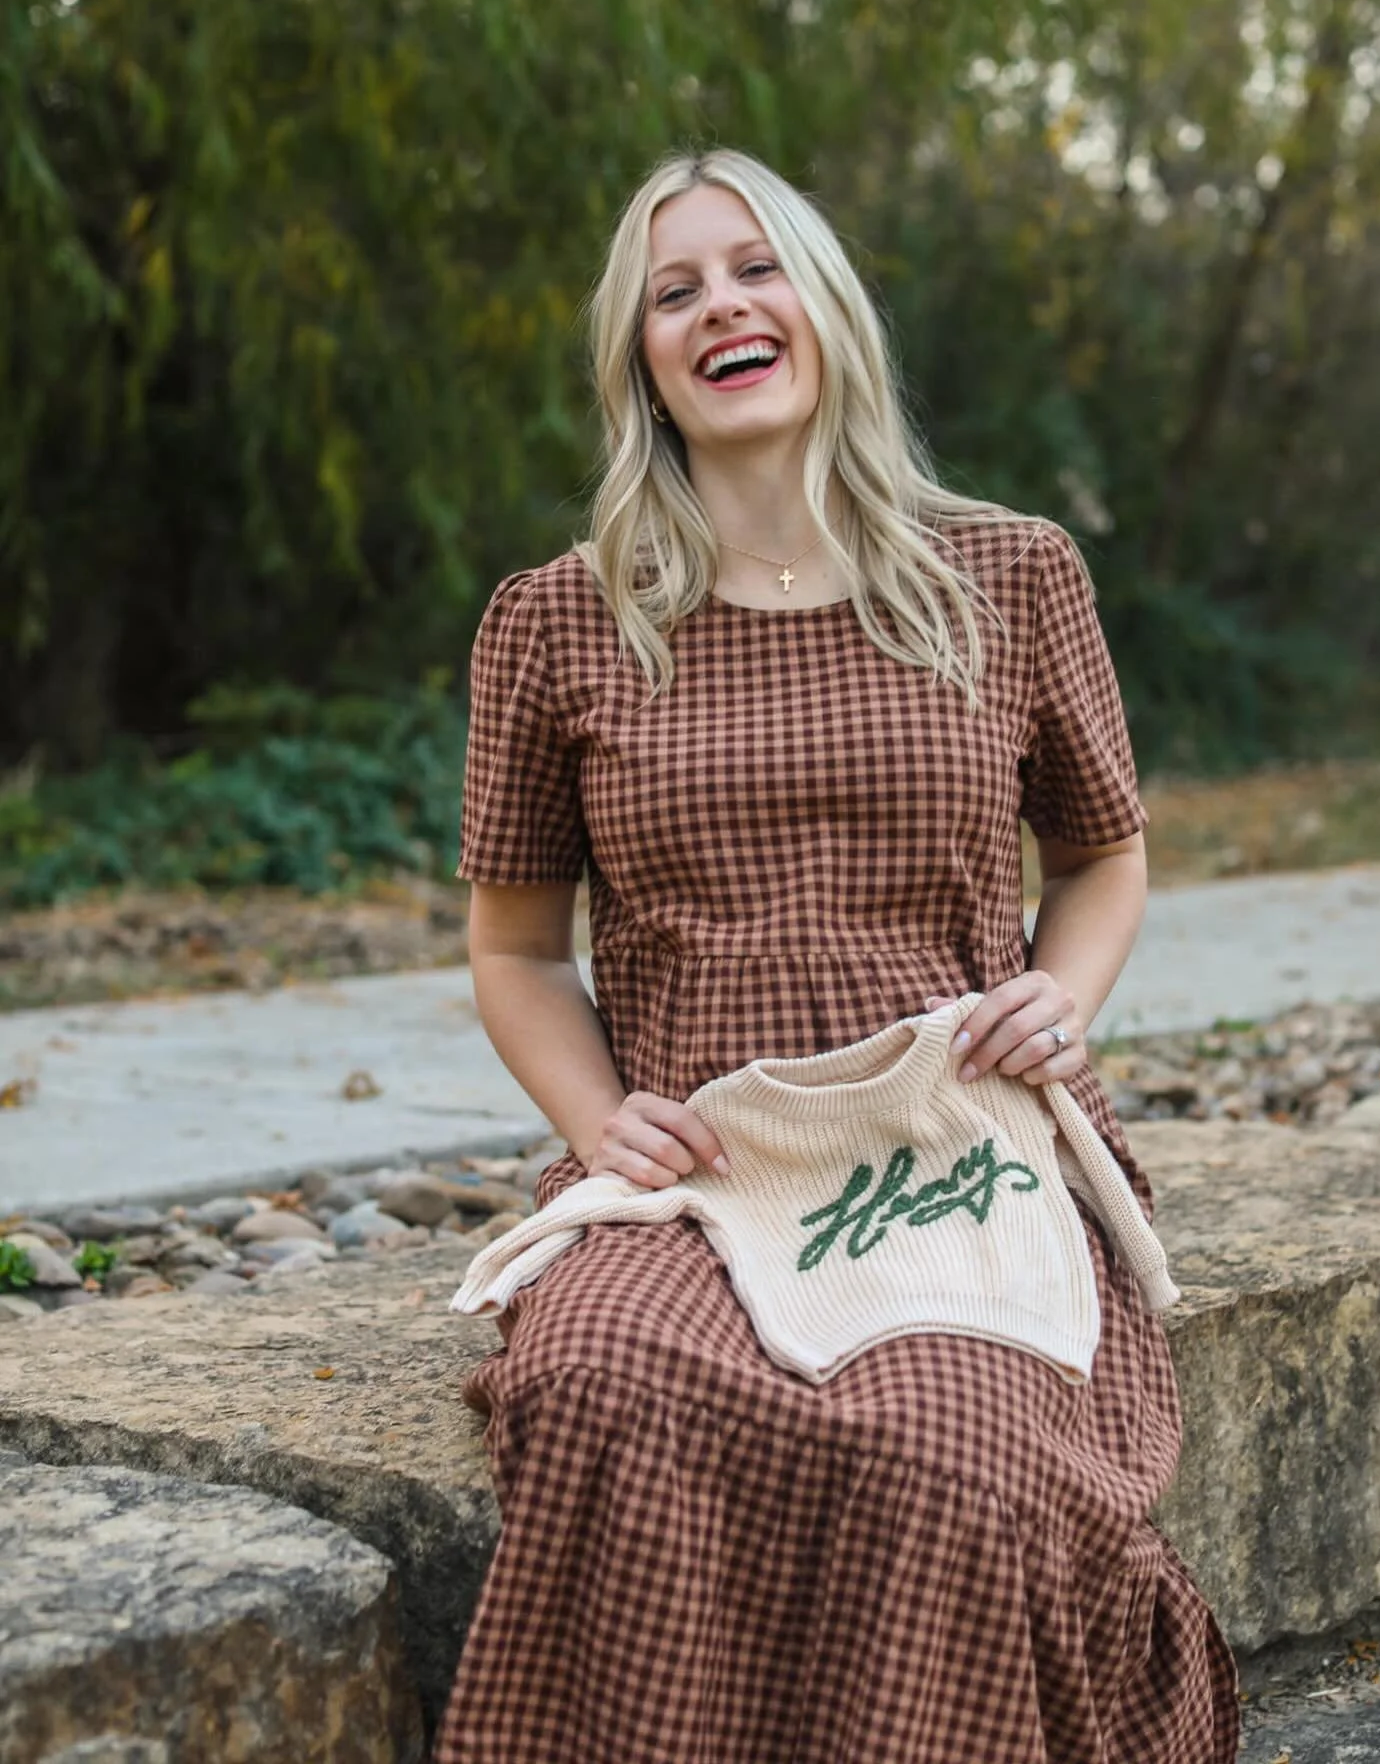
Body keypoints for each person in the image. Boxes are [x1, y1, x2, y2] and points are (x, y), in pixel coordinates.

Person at [434, 148, 1239, 1763]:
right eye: (675, 292)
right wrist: (599, 1123)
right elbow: (516, 946)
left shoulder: (1009, 575)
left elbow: (1103, 858)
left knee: (959, 1450)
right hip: (703, 1162)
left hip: (956, 1146)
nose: (721, 306)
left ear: (824, 310)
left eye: (755, 270)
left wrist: (1057, 1003)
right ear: (642, 360)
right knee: (602, 1392)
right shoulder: (557, 621)